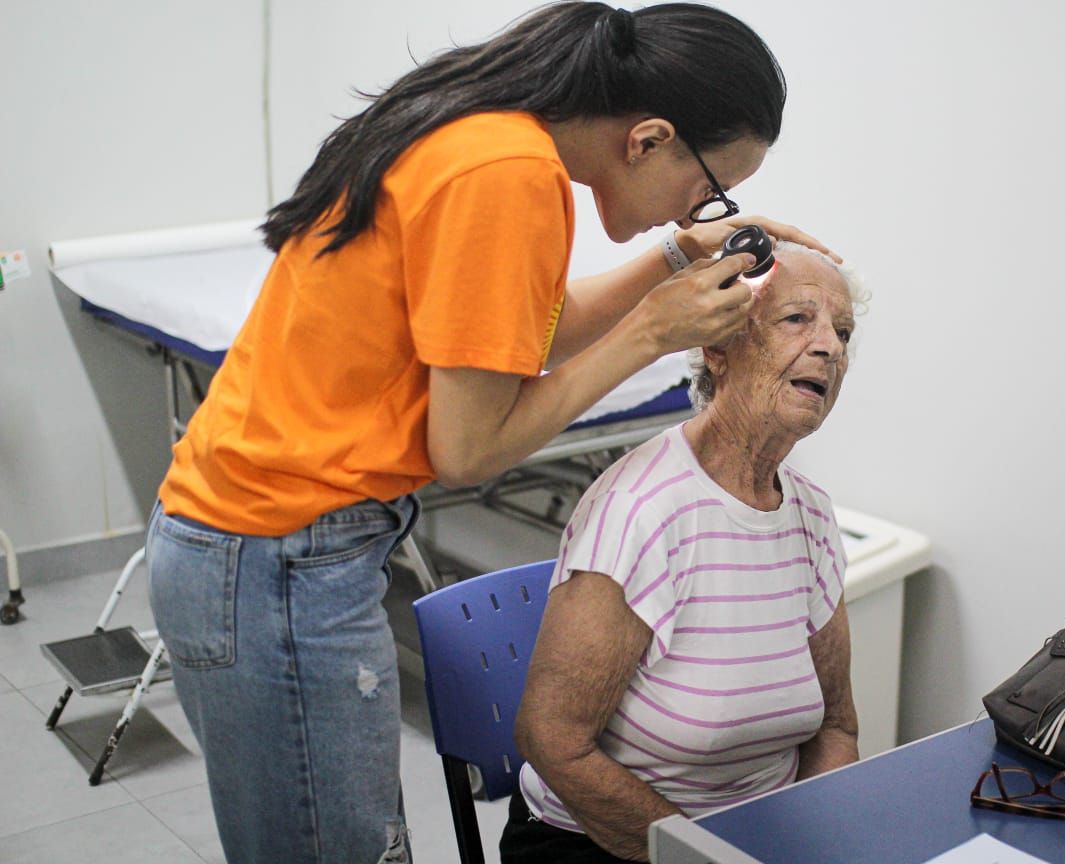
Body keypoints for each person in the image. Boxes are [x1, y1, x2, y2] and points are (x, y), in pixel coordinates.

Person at [144, 4, 835, 862]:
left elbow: (522, 334)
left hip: (260, 540)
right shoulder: (507, 175)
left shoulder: (484, 136)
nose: (692, 213)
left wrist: (671, 263)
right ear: (649, 139)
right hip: (275, 553)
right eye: (708, 191)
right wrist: (650, 334)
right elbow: (467, 452)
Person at [510, 241, 867, 863]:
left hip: (761, 835)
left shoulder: (810, 514)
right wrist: (706, 856)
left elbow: (836, 726)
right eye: (796, 319)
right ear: (717, 348)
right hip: (608, 841)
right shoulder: (639, 509)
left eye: (842, 332)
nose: (830, 348)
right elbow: (552, 738)